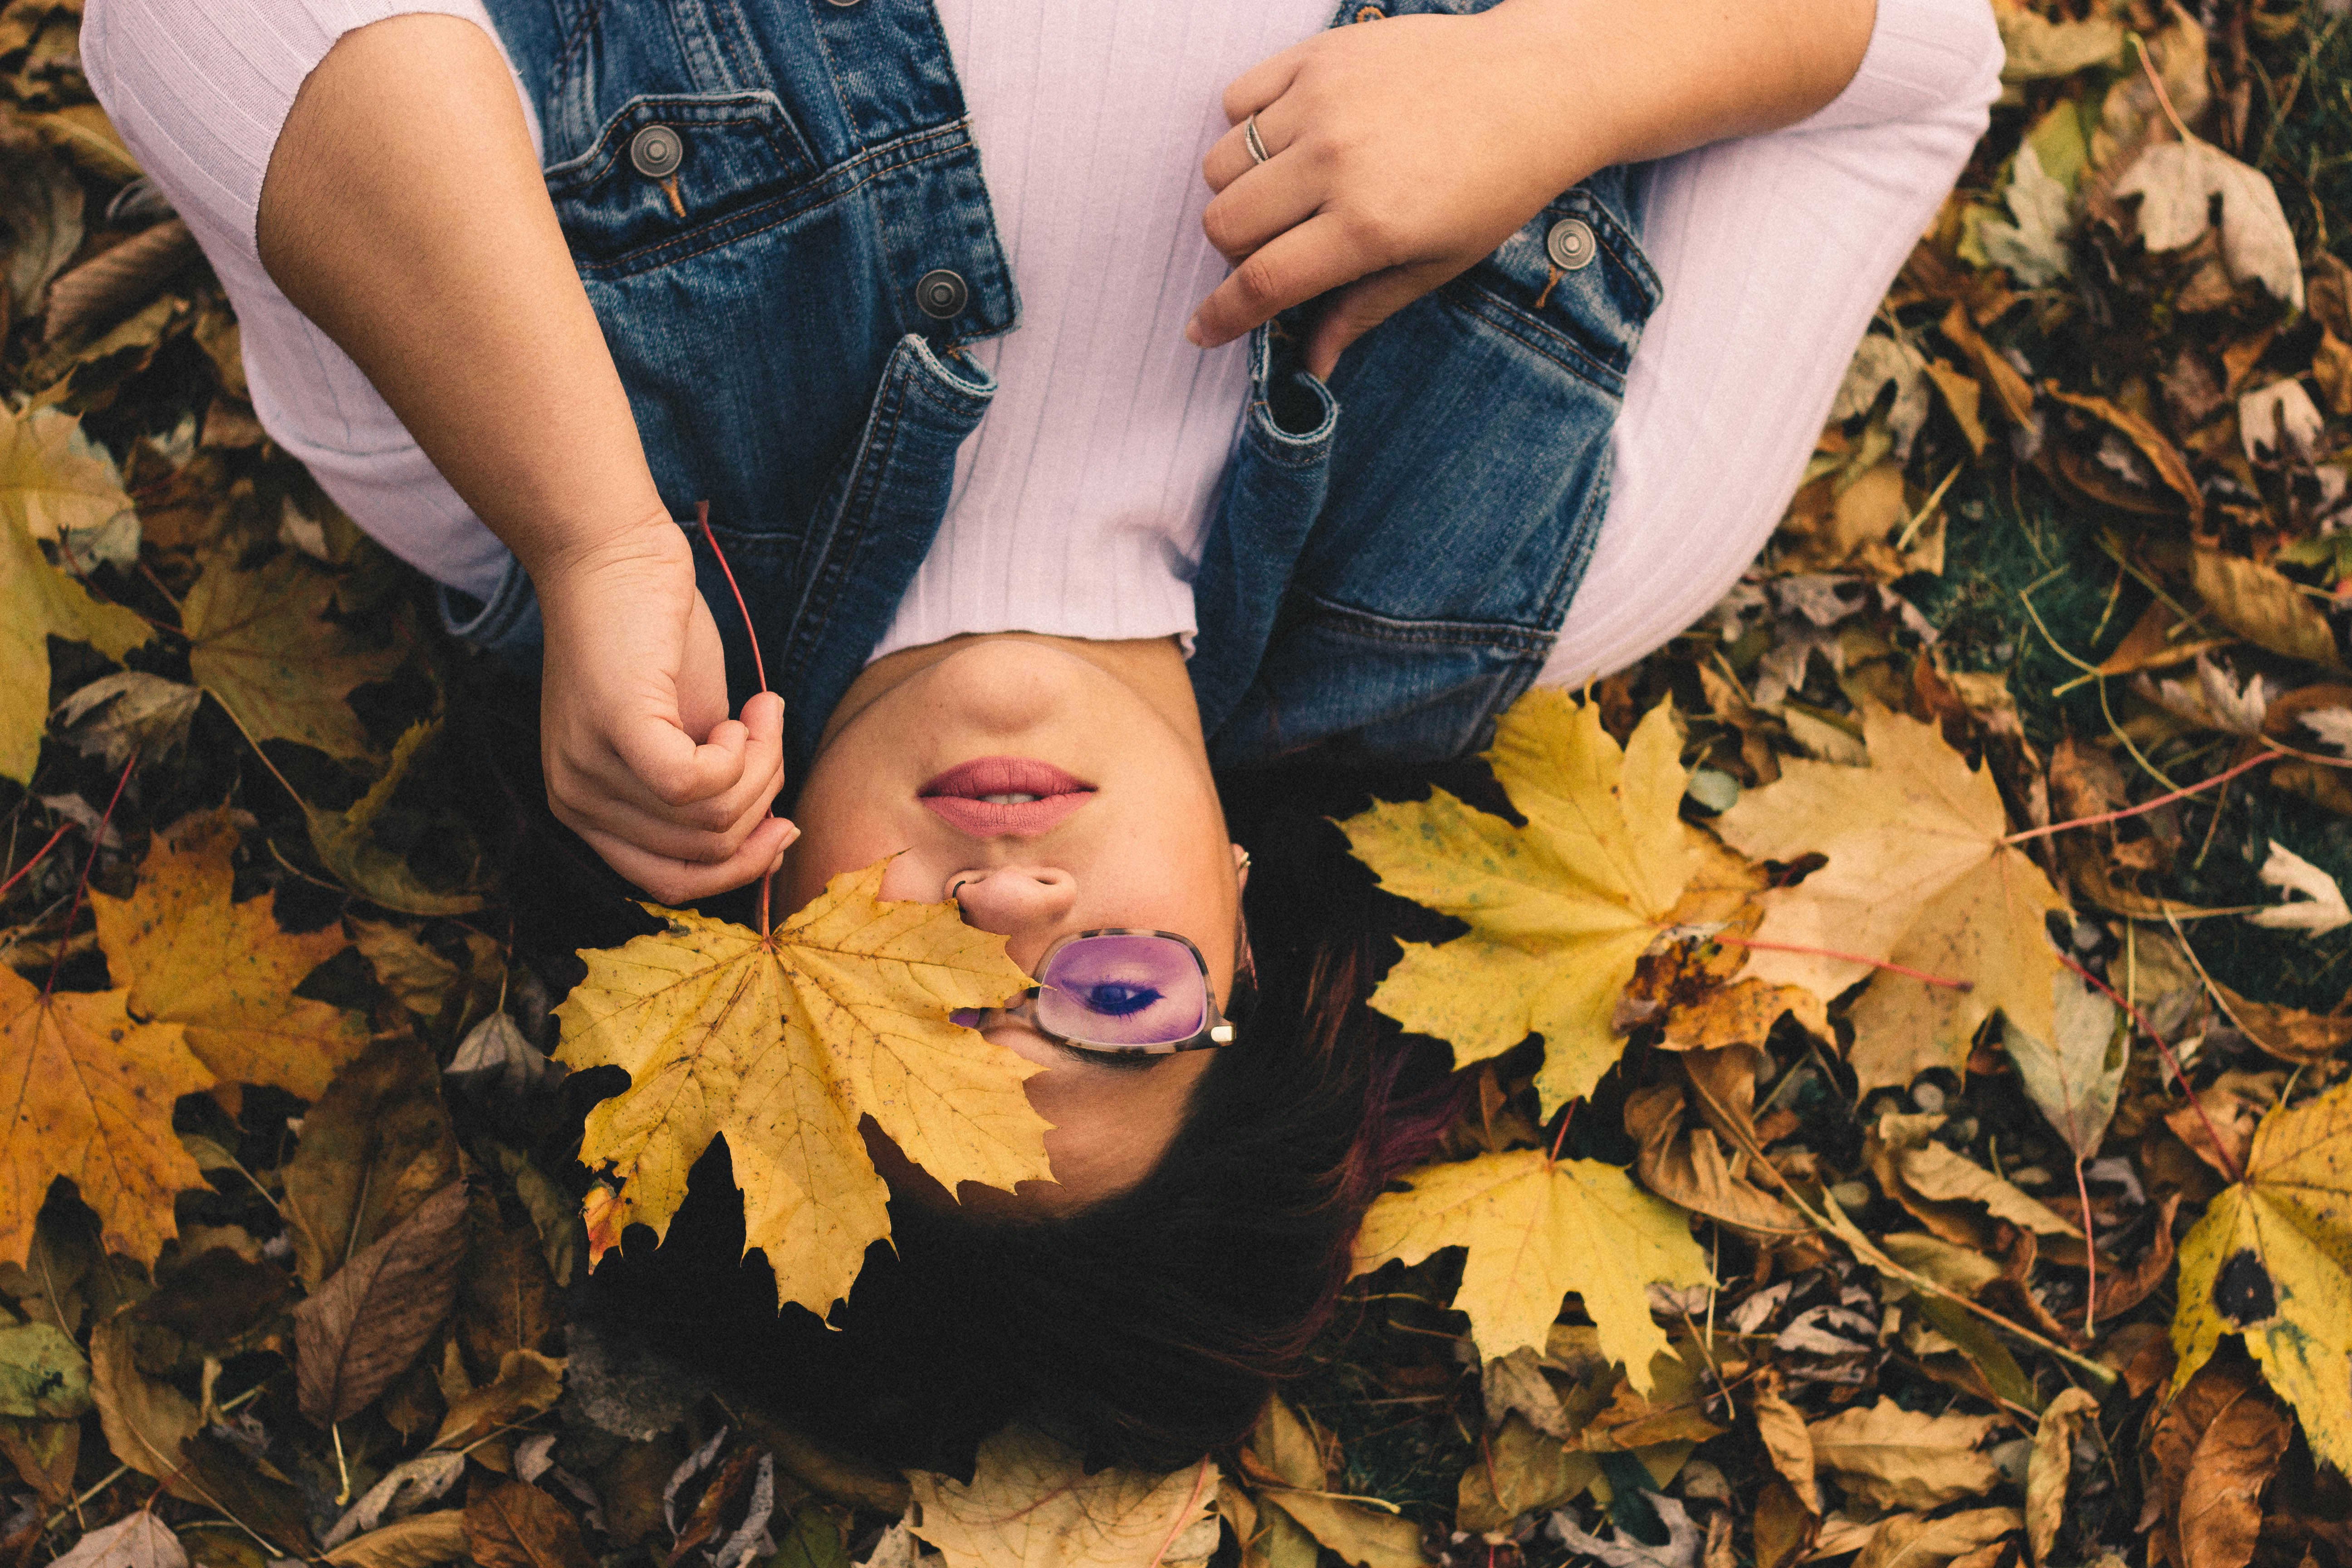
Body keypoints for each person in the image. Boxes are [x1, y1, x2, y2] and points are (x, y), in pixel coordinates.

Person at [84, 0, 2002, 1464]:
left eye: (923, 1005)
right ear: (1244, 933)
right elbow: (1920, 51)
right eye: (1116, 1002)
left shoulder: (507, 476)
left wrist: (590, 522)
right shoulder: (1531, 560)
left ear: (767, 969)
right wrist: (1574, 78)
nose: (1006, 902)